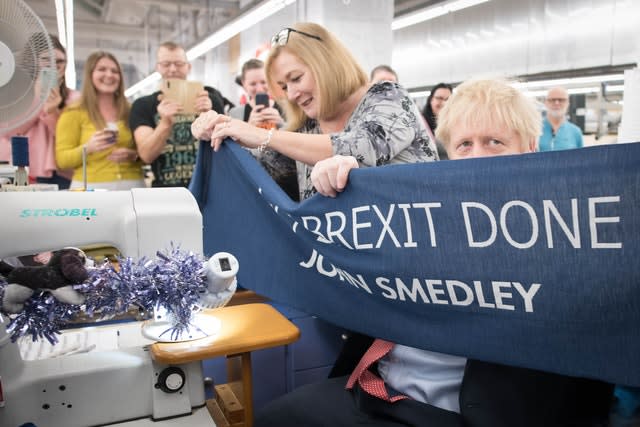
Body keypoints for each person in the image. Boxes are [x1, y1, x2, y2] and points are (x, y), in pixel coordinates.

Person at [255, 79, 614, 427]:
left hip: (458, 410)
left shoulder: (560, 235)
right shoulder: (420, 214)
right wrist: (353, 190)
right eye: (465, 145)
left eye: (495, 142)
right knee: (272, 417)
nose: (476, 157)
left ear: (530, 148)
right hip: (377, 388)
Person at [191, 22, 438, 203]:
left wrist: (263, 135)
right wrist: (217, 130)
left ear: (326, 63)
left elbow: (363, 148)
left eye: (296, 78)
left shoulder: (389, 97)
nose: (291, 94)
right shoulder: (307, 129)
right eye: (284, 87)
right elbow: (259, 171)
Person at [129, 41, 226, 188]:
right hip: (166, 194)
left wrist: (209, 116)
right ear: (158, 68)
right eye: (166, 64)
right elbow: (146, 155)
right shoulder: (143, 105)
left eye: (179, 64)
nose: (173, 69)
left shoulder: (211, 99)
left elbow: (225, 147)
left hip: (210, 188)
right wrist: (165, 122)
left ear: (189, 67)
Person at [56, 51, 143, 190]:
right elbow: (62, 160)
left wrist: (135, 156)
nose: (109, 75)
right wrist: (88, 148)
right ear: (90, 75)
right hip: (89, 189)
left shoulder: (132, 110)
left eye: (115, 71)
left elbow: (147, 152)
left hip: (133, 187)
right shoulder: (74, 112)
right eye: (102, 69)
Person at [0, 34, 78, 189]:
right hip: (23, 168)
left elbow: (69, 139)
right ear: (32, 61)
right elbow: (10, 132)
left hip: (62, 171)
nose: (53, 66)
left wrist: (52, 112)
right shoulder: (16, 97)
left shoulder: (74, 98)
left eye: (60, 61)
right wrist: (38, 98)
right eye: (46, 59)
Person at [228, 58, 298, 199]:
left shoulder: (288, 106)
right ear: (244, 84)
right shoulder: (235, 113)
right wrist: (247, 127)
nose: (259, 88)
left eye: (263, 82)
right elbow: (233, 152)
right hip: (252, 180)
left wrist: (281, 124)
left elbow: (299, 140)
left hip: (286, 183)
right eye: (253, 84)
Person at [539, 86, 584, 151]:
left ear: (568, 103)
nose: (556, 103)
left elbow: (581, 158)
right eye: (552, 100)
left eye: (561, 100)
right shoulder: (534, 130)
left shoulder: (576, 132)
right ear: (546, 103)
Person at [422, 82, 453, 160]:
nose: (444, 103)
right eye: (439, 98)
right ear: (431, 100)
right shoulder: (421, 124)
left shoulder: (457, 124)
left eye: (447, 99)